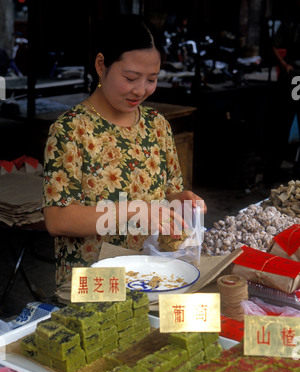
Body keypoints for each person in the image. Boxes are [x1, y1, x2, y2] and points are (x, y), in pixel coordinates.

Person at [42, 14, 206, 301]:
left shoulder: (157, 125)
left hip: (154, 278)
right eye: (130, 78)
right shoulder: (71, 129)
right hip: (95, 285)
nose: (141, 89)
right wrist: (135, 210)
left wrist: (181, 201)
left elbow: (167, 193)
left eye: (152, 79)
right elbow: (58, 219)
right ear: (101, 65)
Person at [264, 0, 300, 185]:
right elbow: (273, 46)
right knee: (287, 118)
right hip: (295, 77)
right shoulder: (290, 22)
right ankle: (275, 165)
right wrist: (284, 64)